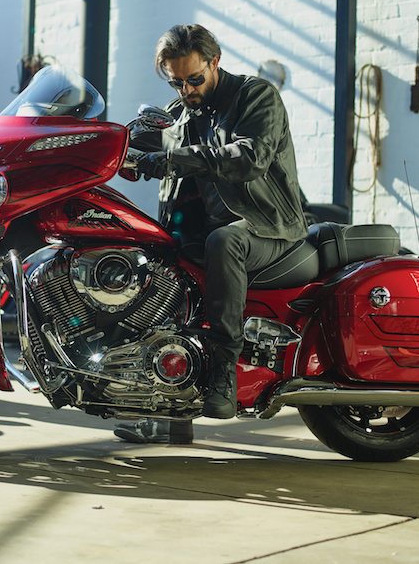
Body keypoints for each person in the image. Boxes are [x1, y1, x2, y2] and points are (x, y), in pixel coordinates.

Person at [115, 24, 308, 444]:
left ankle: (223, 372)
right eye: (176, 82)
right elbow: (139, 146)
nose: (186, 89)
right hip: (202, 229)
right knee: (153, 258)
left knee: (226, 241)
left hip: (266, 225)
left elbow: (248, 157)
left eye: (194, 79)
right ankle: (162, 401)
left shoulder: (256, 96)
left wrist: (165, 161)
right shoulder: (181, 112)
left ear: (214, 62)